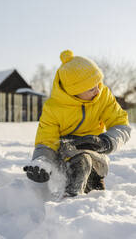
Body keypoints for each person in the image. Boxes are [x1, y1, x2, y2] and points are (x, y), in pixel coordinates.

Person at [23, 50, 131, 197]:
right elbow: (46, 140)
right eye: (91, 88)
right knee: (82, 162)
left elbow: (121, 124)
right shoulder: (54, 108)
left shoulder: (103, 96)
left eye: (98, 83)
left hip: (94, 149)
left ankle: (92, 188)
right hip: (65, 154)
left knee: (94, 189)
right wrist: (43, 161)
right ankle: (70, 199)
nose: (98, 90)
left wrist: (106, 142)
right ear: (74, 91)